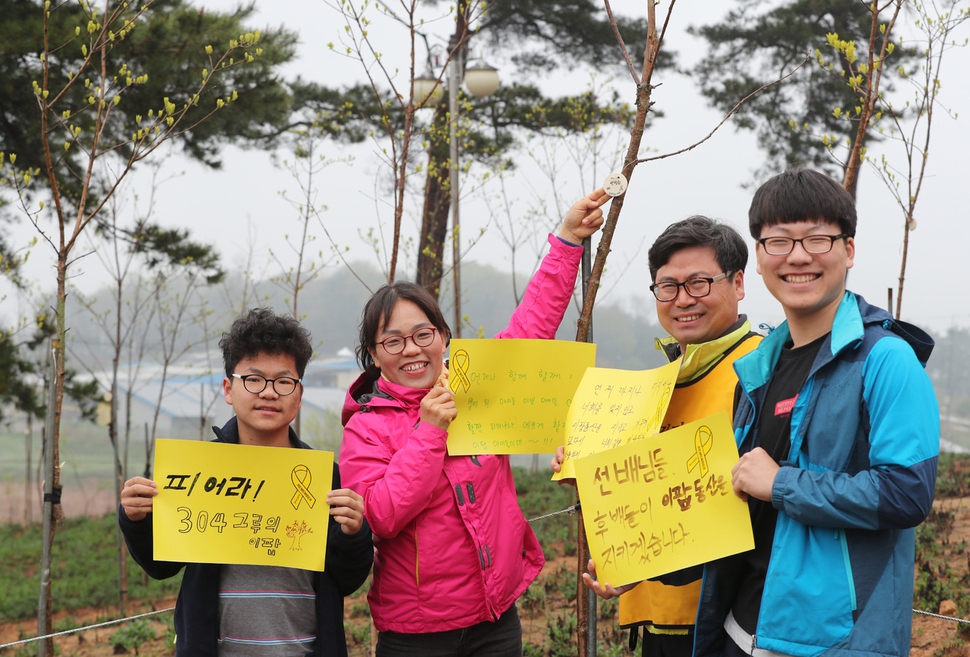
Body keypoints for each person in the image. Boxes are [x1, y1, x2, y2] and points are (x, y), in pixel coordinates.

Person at [588, 169, 939, 657]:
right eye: (778, 241)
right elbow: (737, 514)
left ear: (849, 250)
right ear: (759, 258)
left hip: (835, 640)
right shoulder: (758, 372)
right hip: (740, 630)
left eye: (817, 238)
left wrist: (782, 484)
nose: (797, 256)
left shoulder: (886, 360)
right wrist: (639, 558)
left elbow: (908, 495)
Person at [339, 189, 609, 656]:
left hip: (496, 619)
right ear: (375, 355)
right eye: (393, 341)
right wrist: (430, 431)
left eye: (423, 334)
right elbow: (381, 516)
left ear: (444, 337)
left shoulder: (474, 388)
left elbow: (531, 327)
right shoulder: (365, 426)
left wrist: (567, 240)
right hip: (416, 634)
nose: (412, 349)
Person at [552, 216, 762, 657]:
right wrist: (588, 476)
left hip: (728, 621)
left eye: (699, 283)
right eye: (667, 286)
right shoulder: (654, 385)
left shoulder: (761, 369)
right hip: (656, 614)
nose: (682, 300)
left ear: (739, 283)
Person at [119, 308, 374, 657]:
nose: (269, 393)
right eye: (253, 379)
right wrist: (137, 518)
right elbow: (160, 566)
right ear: (228, 388)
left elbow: (347, 579)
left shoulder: (321, 477)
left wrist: (355, 532)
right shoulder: (199, 473)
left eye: (284, 382)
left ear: (298, 395)